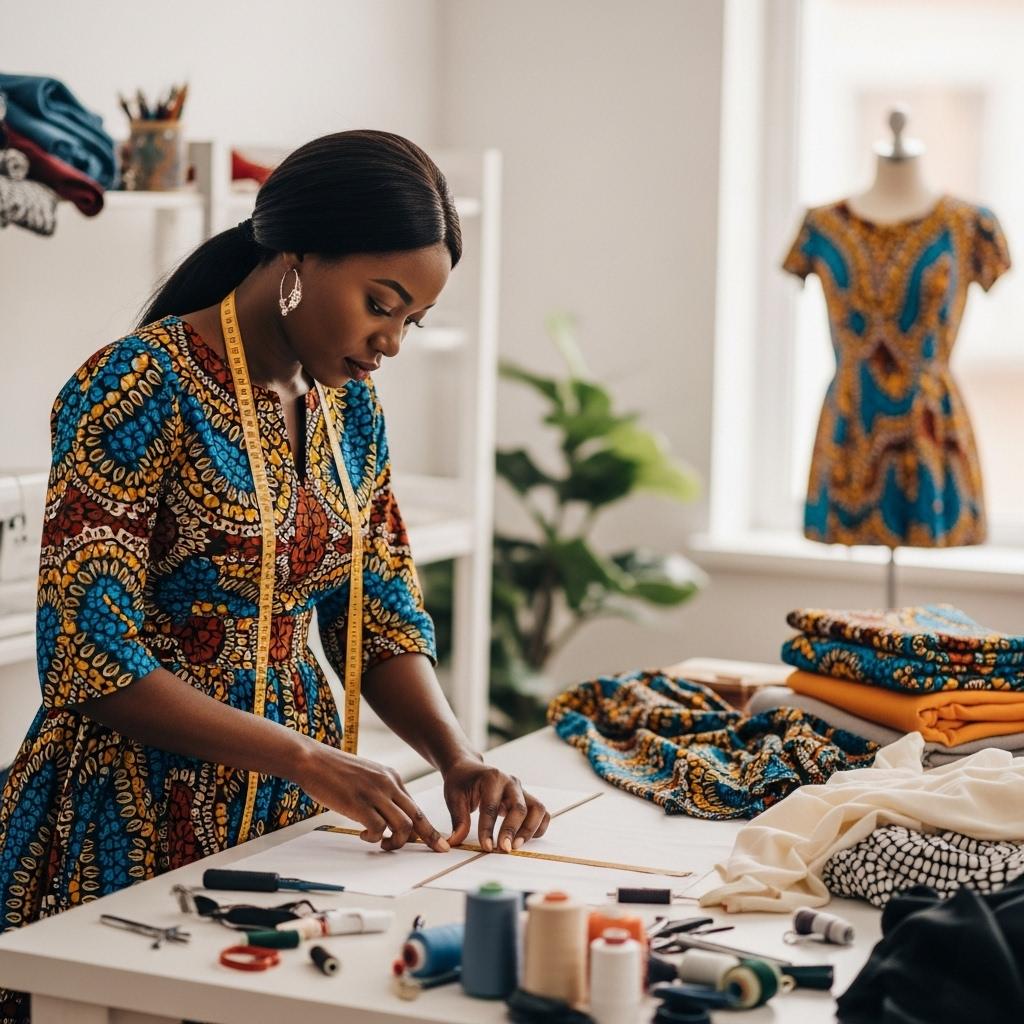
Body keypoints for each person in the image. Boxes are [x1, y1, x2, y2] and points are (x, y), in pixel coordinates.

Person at [0, 129, 548, 1023]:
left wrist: (457, 757)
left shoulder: (350, 409)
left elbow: (379, 616)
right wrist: (308, 758)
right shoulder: (136, 386)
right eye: (382, 302)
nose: (393, 341)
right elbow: (86, 658)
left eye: (413, 320)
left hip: (294, 827)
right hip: (125, 823)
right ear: (296, 257)